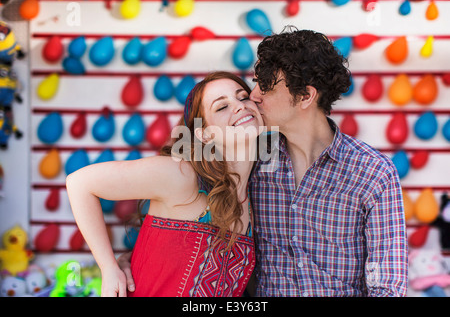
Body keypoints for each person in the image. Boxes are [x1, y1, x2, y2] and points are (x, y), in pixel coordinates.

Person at [119, 27, 408, 297]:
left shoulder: (373, 172)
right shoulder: (248, 155)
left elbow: (388, 287)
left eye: (266, 87)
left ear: (305, 96)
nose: (252, 97)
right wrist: (127, 260)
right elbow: (183, 211)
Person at [66, 71, 264, 297]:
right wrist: (109, 268)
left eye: (243, 97)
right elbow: (79, 183)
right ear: (205, 135)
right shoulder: (181, 174)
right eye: (221, 107)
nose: (240, 106)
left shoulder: (253, 197)